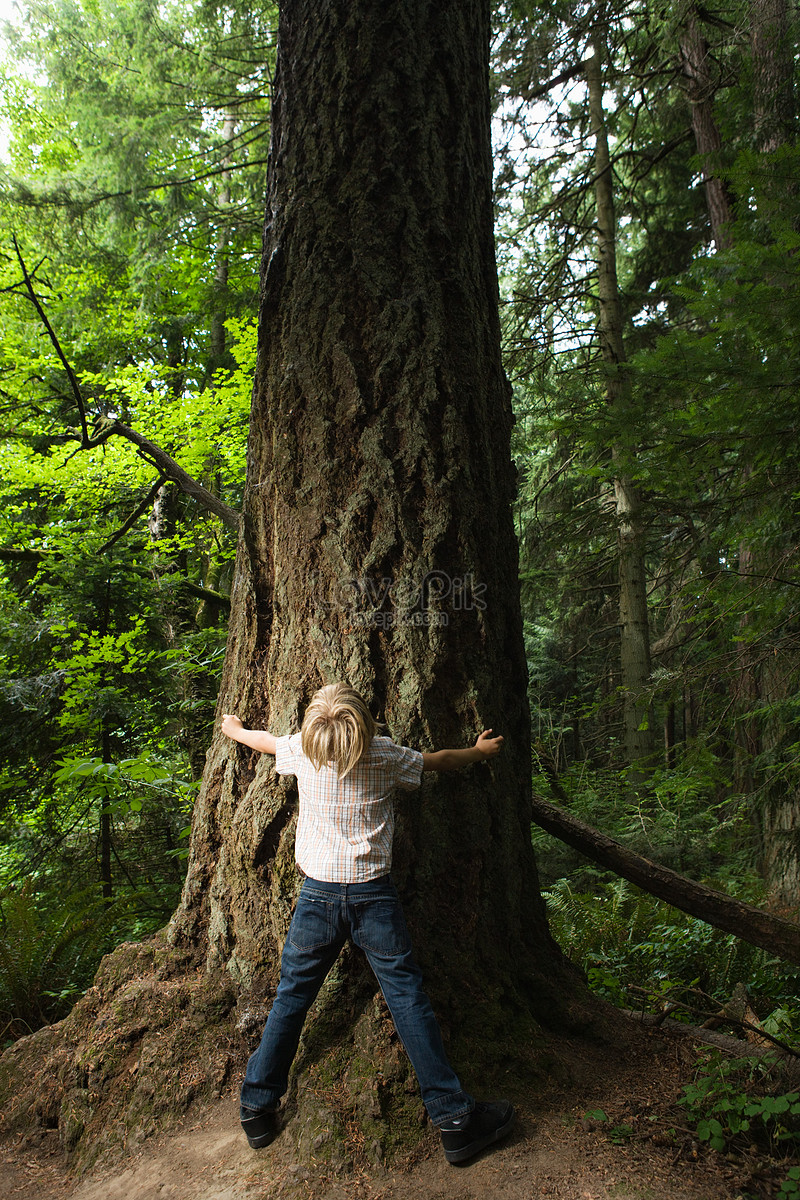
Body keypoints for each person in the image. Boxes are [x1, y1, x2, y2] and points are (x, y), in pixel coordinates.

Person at [221, 682, 515, 1165]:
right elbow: (441, 760)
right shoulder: (383, 755)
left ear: (315, 727)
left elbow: (265, 740)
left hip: (316, 896)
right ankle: (455, 1122)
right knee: (406, 997)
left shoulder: (301, 750)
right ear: (365, 724)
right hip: (373, 895)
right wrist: (480, 752)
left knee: (292, 995)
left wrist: (234, 729)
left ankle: (256, 1105)